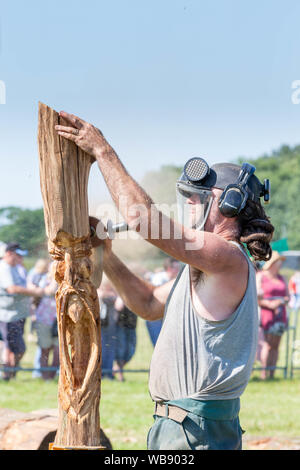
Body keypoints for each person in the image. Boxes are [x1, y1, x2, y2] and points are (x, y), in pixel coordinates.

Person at [56, 112, 274, 450]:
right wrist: (108, 256)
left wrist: (103, 151)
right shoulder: (204, 267)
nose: (189, 203)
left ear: (231, 204)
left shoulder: (227, 257)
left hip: (194, 429)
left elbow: (142, 219)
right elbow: (146, 303)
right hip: (183, 425)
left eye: (200, 196)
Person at [0, 243, 44, 380]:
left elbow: (23, 284)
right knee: (17, 348)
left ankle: (9, 374)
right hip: (8, 316)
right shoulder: (4, 268)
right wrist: (35, 292)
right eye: (17, 255)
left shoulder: (17, 268)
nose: (20, 258)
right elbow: (12, 288)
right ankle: (8, 374)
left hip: (18, 314)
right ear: (8, 253)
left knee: (12, 348)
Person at [257, 251, 289, 380]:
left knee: (276, 346)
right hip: (266, 314)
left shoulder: (282, 278)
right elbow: (256, 295)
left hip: (280, 315)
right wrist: (270, 305)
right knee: (267, 344)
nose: (280, 264)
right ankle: (264, 372)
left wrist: (280, 302)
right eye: (278, 261)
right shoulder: (261, 276)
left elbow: (287, 296)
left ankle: (272, 373)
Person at [146, 258, 180, 346]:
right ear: (169, 269)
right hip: (155, 316)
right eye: (176, 268)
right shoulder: (159, 279)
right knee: (159, 343)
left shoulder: (179, 280)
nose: (178, 270)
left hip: (169, 315)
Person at [34, 264, 59, 380]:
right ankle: (45, 377)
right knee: (45, 350)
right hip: (44, 319)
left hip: (59, 319)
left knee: (58, 351)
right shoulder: (44, 279)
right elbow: (49, 291)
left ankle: (52, 376)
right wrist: (54, 279)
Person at [98, 278, 118, 380]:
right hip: (100, 325)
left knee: (110, 349)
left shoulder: (113, 293)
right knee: (101, 349)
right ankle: (100, 372)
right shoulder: (98, 292)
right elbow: (100, 295)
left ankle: (108, 372)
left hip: (110, 325)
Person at [113, 296, 137, 382]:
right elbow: (118, 307)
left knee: (130, 352)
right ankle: (120, 375)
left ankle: (114, 370)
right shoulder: (120, 293)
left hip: (132, 325)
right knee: (121, 352)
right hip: (121, 325)